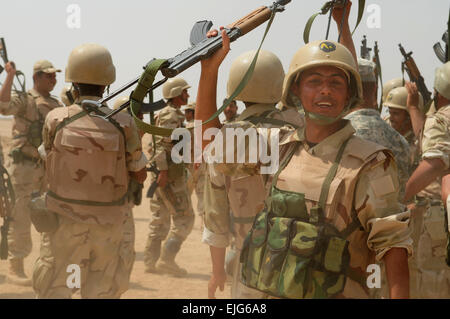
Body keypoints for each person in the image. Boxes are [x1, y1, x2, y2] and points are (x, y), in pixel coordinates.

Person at [196, 0, 411, 299]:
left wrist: (342, 25)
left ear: (349, 93)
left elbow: (393, 246)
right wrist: (209, 70)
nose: (325, 90)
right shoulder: (278, 147)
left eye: (336, 82)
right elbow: (209, 144)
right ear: (295, 91)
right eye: (314, 82)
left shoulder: (369, 162)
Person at [32, 43, 147, 298]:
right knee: (100, 293)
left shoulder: (55, 118)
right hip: (108, 227)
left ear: (73, 84)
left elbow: (45, 159)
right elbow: (140, 173)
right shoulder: (124, 122)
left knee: (56, 291)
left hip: (64, 224)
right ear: (107, 84)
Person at [0, 59, 63, 286]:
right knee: (20, 217)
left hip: (45, 169)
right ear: (36, 77)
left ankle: (46, 265)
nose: (53, 79)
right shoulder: (25, 99)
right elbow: (2, 105)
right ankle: (15, 267)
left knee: (48, 215)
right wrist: (9, 75)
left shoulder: (57, 103)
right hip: (23, 168)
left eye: (55, 76)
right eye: (49, 76)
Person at [404, 61, 450, 298]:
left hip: (439, 217)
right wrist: (414, 109)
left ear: (438, 92)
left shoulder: (441, 118)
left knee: (433, 278)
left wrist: (402, 195)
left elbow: (433, 162)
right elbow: (431, 144)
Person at [144, 77, 195, 276]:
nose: (187, 95)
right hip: (169, 177)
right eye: (185, 91)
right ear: (175, 93)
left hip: (165, 175)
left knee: (160, 218)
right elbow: (157, 145)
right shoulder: (170, 116)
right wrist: (164, 171)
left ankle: (150, 261)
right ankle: (166, 259)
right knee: (186, 219)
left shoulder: (172, 115)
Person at [345, 58, 410, 200]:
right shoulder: (401, 141)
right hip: (393, 220)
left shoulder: (340, 134)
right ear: (375, 89)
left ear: (346, 90)